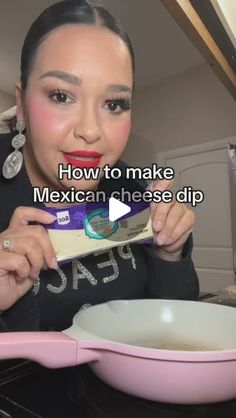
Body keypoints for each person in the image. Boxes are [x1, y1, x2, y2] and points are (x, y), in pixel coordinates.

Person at [0, 0, 198, 332]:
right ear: (22, 104)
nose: (91, 130)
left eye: (114, 103)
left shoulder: (132, 190)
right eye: (62, 96)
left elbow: (172, 331)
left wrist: (170, 256)